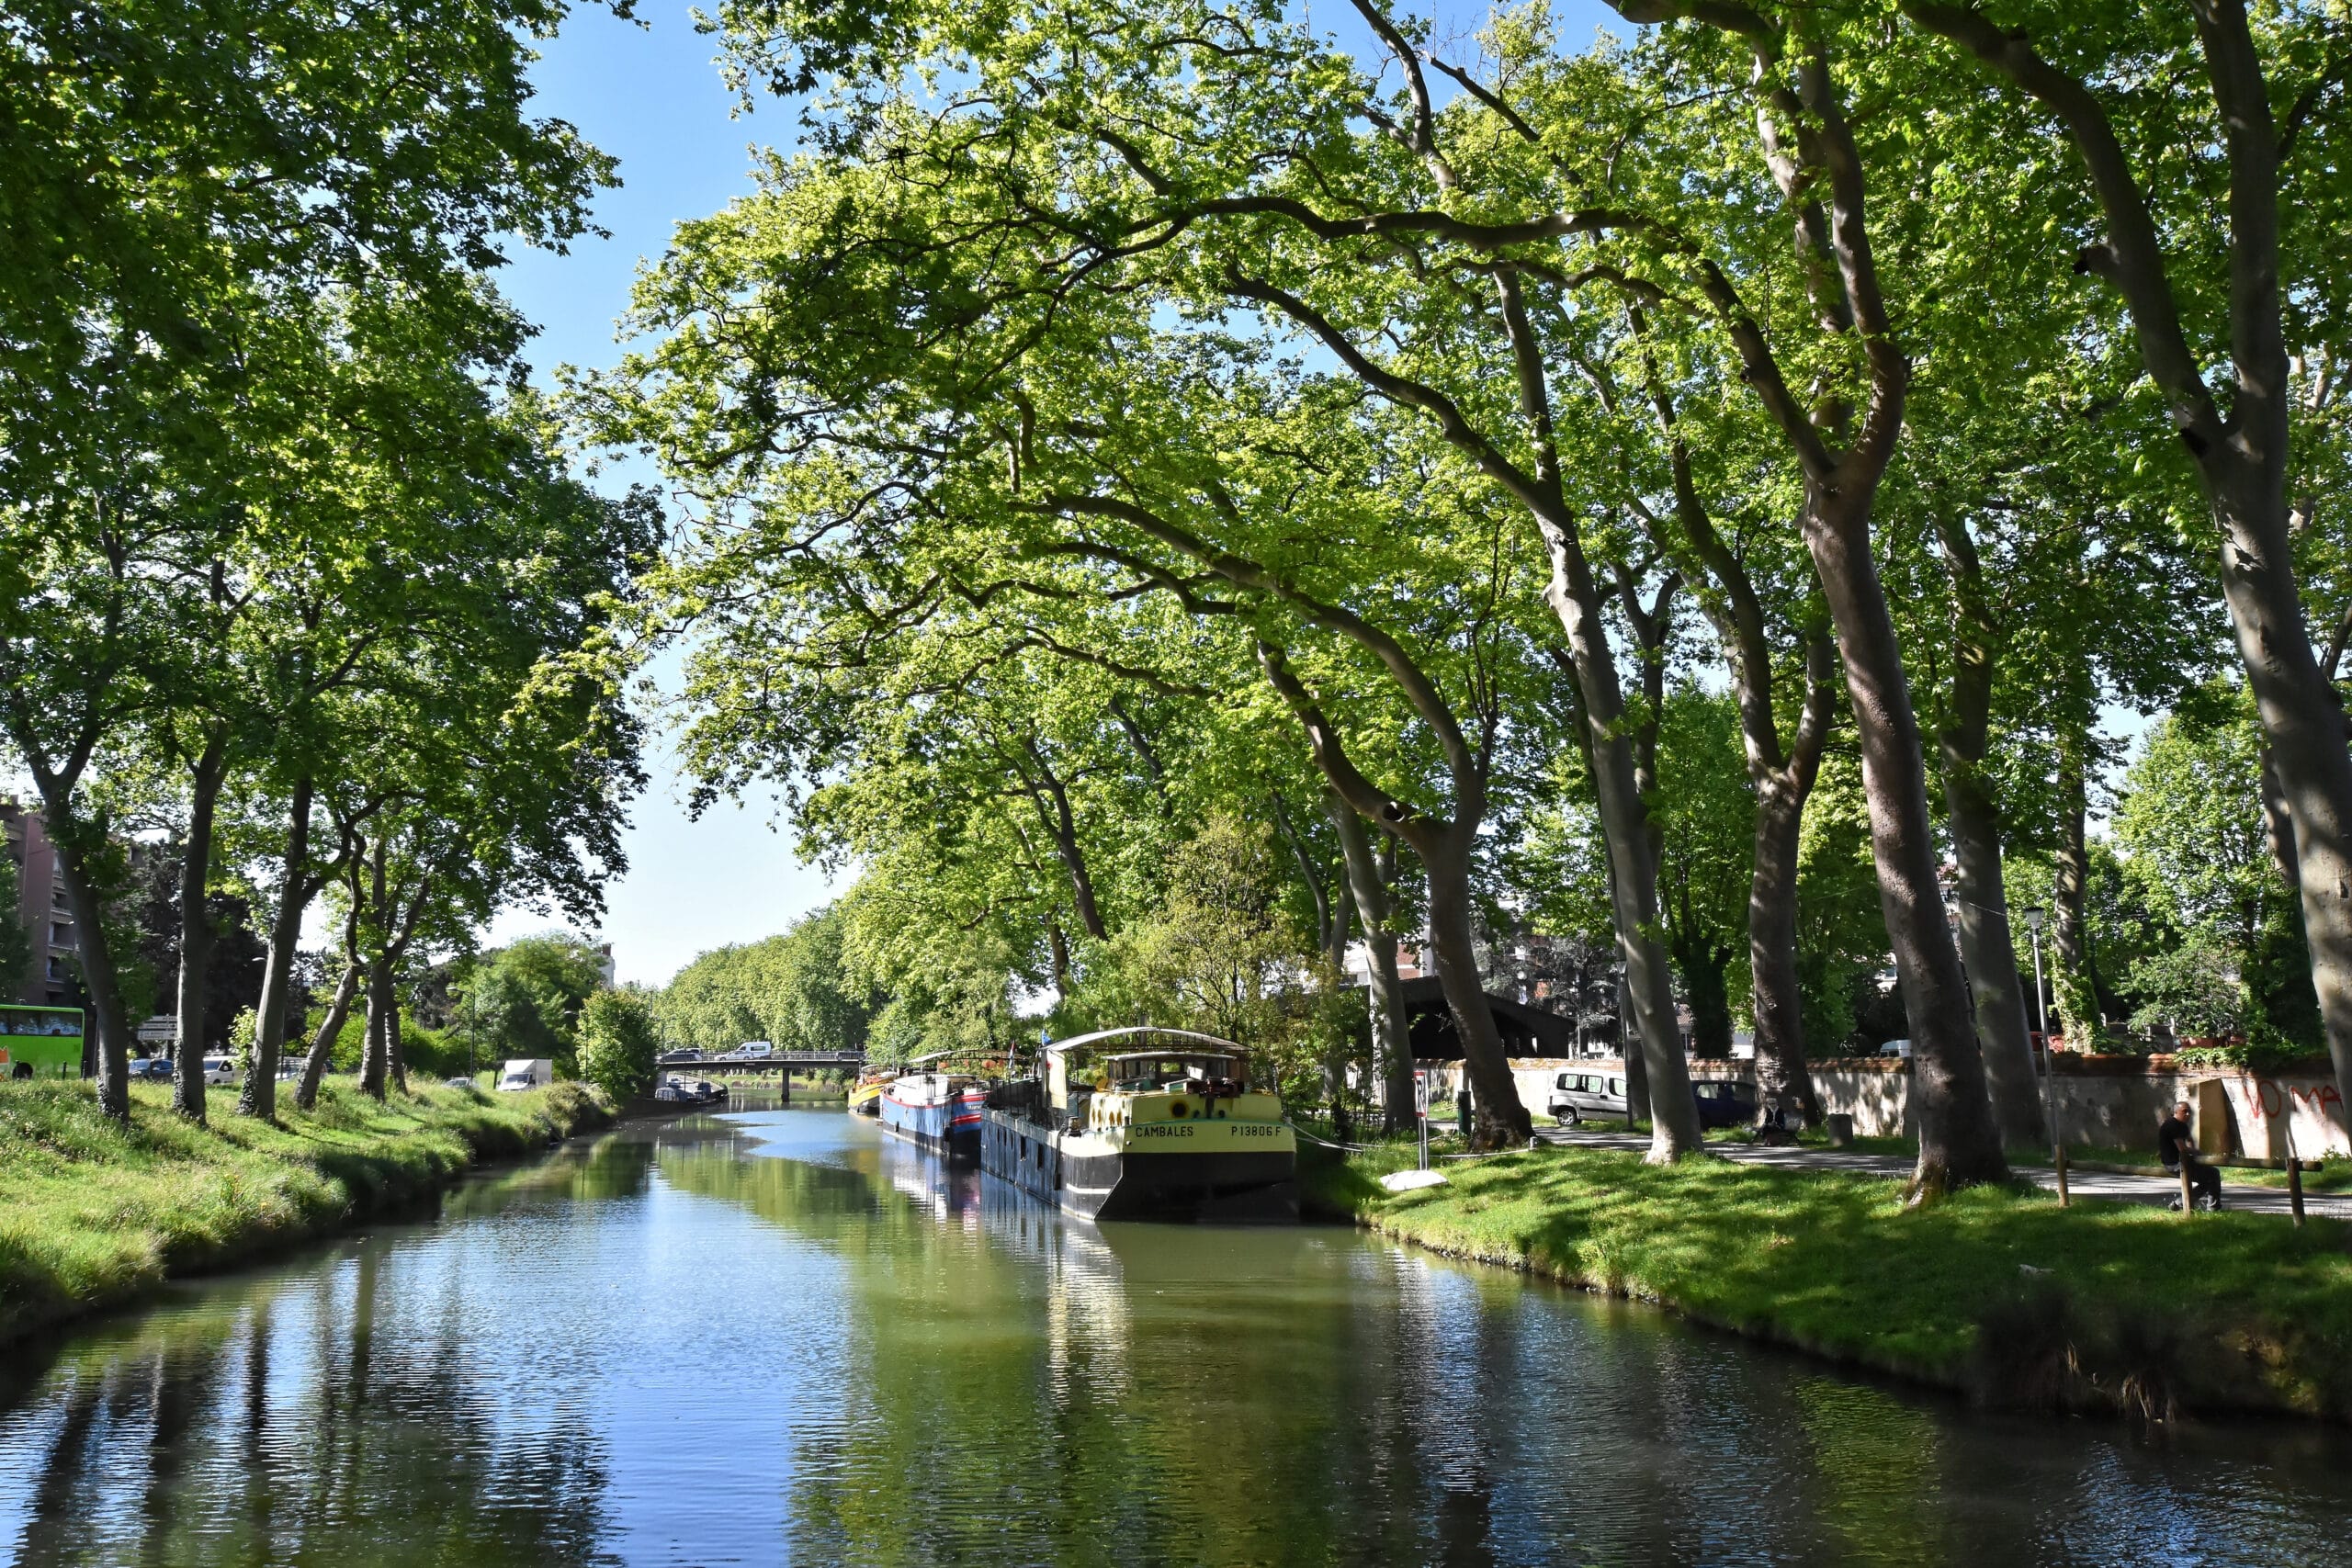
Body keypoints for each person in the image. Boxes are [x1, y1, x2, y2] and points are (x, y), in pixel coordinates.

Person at [2158, 1100, 2222, 1210]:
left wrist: (2194, 1152)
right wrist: (2197, 1152)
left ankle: (2179, 1204)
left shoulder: (2183, 1125)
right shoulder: (2171, 1125)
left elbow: (2189, 1141)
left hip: (2184, 1162)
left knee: (2210, 1178)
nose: (2188, 1114)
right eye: (2185, 1111)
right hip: (2174, 1164)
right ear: (2176, 1112)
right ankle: (2213, 1208)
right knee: (2213, 1174)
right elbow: (2182, 1148)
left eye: (2189, 1112)